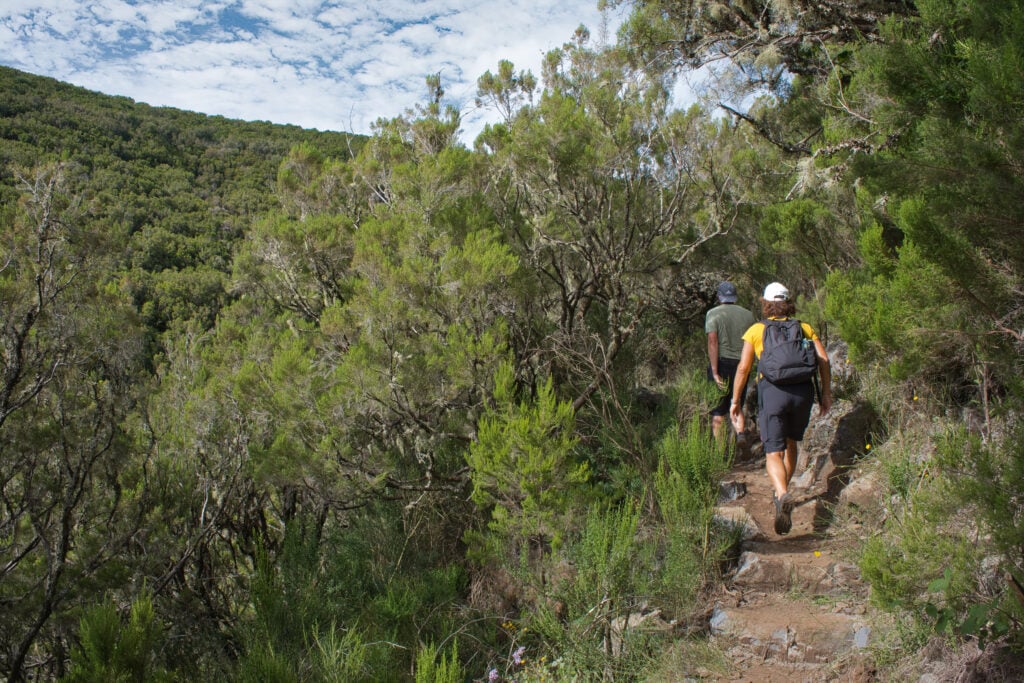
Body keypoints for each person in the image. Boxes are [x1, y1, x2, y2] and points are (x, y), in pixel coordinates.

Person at [729, 282, 832, 535]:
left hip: (772, 392)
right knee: (790, 443)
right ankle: (782, 495)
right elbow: (824, 360)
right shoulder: (804, 328)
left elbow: (743, 368)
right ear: (788, 303)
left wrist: (735, 401)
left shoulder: (756, 330)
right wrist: (826, 394)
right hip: (802, 393)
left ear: (765, 304)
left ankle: (782, 493)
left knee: (773, 451)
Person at [705, 281, 755, 439]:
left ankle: (720, 455)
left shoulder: (713, 314)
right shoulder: (748, 315)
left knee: (718, 411)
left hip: (721, 364)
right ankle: (740, 434)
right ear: (735, 296)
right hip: (742, 364)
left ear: (719, 296)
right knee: (737, 401)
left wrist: (714, 371)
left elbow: (713, 341)